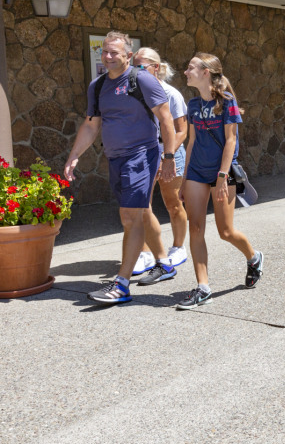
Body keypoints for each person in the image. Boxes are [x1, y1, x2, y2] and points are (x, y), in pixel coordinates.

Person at [64, 31, 180, 304]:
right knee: (140, 212)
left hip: (141, 156)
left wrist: (169, 157)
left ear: (128, 56)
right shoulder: (98, 85)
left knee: (130, 217)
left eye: (113, 52)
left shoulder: (143, 80)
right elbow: (92, 124)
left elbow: (166, 120)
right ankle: (164, 264)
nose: (107, 56)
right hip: (115, 158)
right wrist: (74, 156)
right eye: (104, 51)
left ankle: (121, 284)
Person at [177, 52, 264, 309]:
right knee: (195, 228)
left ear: (205, 72)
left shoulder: (227, 102)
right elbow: (191, 142)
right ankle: (203, 287)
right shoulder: (192, 105)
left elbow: (231, 140)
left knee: (225, 231)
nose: (186, 71)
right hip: (196, 173)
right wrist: (184, 179)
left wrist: (223, 175)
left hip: (220, 174)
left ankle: (254, 257)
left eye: (190, 67)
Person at [131, 48, 189, 275]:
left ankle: (178, 247)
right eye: (133, 66)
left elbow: (182, 131)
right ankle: (145, 253)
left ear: (156, 68)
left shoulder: (171, 93)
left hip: (169, 152)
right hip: (143, 153)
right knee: (142, 206)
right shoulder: (132, 94)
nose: (136, 71)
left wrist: (167, 156)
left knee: (173, 203)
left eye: (141, 66)